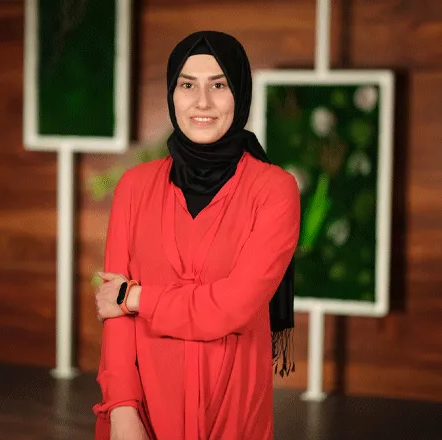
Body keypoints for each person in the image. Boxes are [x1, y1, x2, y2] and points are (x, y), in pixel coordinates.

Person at [92, 31, 300, 440]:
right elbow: (116, 322)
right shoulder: (134, 186)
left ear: (240, 93)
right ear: (172, 94)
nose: (202, 102)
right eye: (187, 85)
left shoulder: (274, 190)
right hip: (143, 410)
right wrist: (122, 410)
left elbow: (233, 306)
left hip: (233, 410)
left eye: (218, 85)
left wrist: (136, 298)